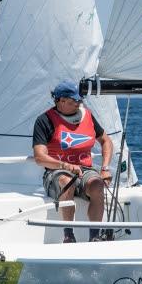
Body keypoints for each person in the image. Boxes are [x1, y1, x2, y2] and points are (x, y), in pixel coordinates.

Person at [32, 80, 114, 243]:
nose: (78, 104)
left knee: (97, 184)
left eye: (79, 100)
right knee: (66, 181)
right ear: (60, 101)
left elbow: (106, 141)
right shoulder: (44, 120)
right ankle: (68, 235)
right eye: (73, 101)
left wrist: (105, 168)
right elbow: (39, 157)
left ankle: (95, 236)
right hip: (56, 171)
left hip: (84, 169)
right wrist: (64, 165)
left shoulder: (87, 115)